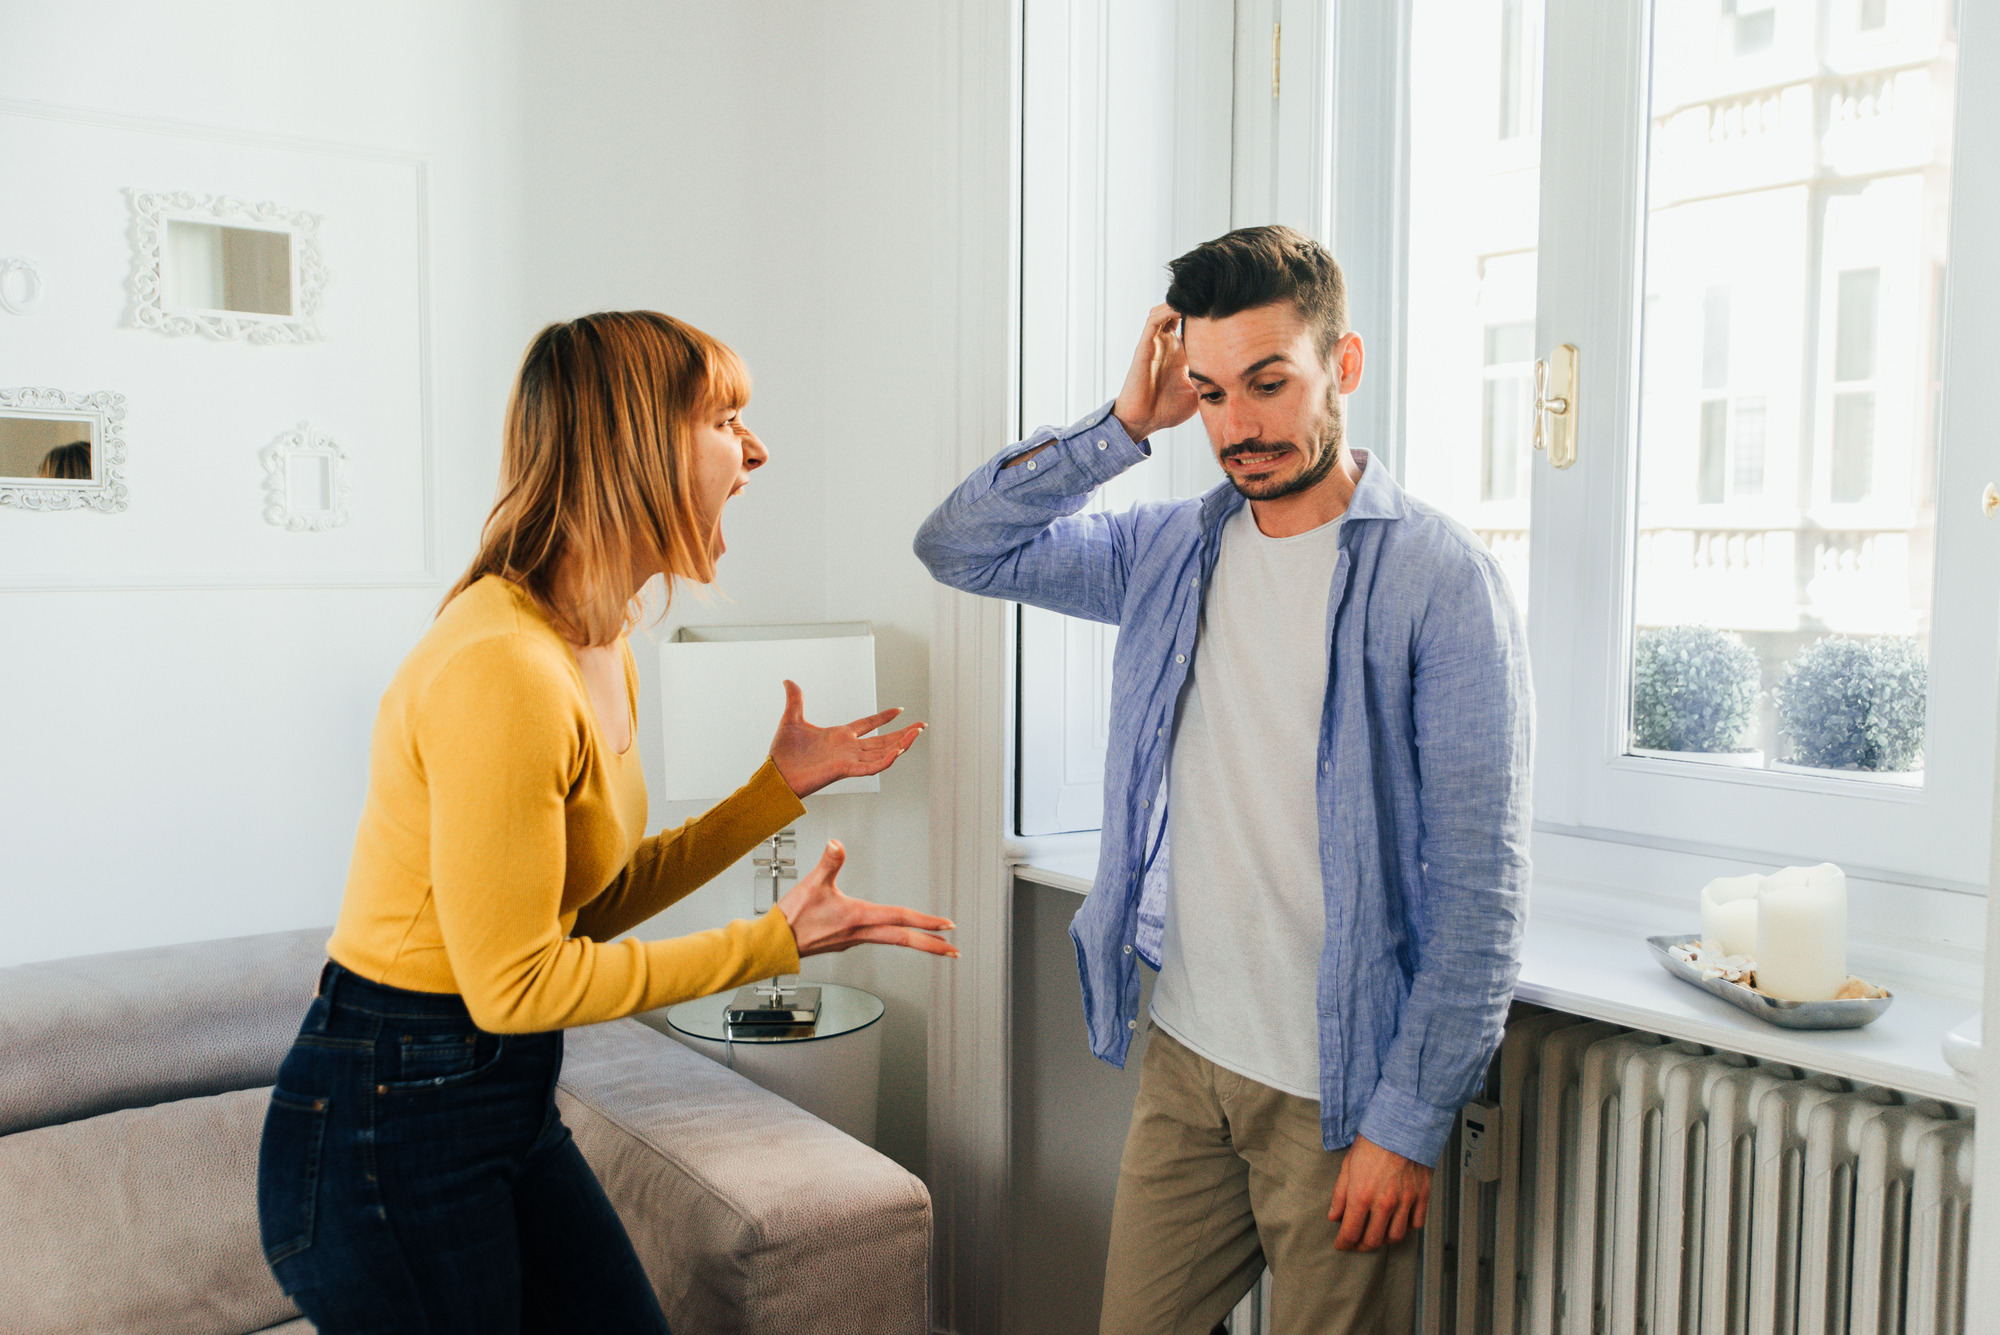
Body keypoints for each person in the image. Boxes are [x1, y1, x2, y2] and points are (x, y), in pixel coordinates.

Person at [259, 310, 957, 1334]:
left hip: (490, 1101)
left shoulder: (598, 640)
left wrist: (773, 792)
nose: (755, 449)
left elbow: (590, 898)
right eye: (726, 418)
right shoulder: (503, 664)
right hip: (389, 1123)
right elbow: (517, 984)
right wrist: (770, 942)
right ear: (631, 445)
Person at [915, 225, 1531, 1334]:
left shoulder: (1440, 584)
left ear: (1341, 366)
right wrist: (1119, 429)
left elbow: (1479, 894)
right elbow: (960, 546)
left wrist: (1405, 1122)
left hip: (1337, 1097)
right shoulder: (1167, 553)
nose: (1235, 428)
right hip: (1189, 1060)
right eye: (1207, 393)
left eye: (1266, 383)